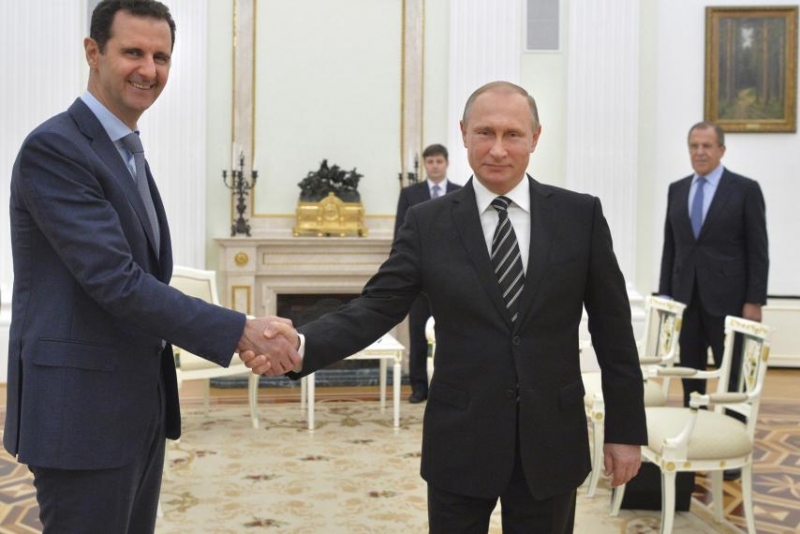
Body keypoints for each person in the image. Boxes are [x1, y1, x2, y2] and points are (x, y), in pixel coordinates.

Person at [247, 81, 647, 533]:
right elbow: (377, 307)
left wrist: (625, 430)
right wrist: (301, 343)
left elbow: (614, 331)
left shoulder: (579, 216)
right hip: (461, 440)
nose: (498, 149)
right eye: (485, 132)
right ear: (463, 134)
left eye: (513, 134)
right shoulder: (427, 222)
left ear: (535, 137)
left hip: (550, 440)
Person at [3, 1, 299, 532]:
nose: (149, 69)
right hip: (81, 415)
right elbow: (117, 282)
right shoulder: (57, 149)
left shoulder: (124, 150)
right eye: (133, 52)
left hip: (133, 408)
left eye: (161, 57)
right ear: (93, 52)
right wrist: (241, 329)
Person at [659, 123, 769, 412]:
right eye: (694, 146)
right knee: (689, 370)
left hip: (730, 302)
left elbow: (758, 251)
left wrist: (754, 300)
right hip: (686, 300)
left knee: (733, 373)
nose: (700, 152)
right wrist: (666, 297)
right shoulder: (677, 190)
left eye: (707, 146)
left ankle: (734, 427)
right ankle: (694, 425)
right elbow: (671, 247)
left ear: (722, 150)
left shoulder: (745, 190)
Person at [394, 144, 461, 403]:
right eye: (430, 161)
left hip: (453, 278)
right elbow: (401, 234)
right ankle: (419, 387)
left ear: (447, 163)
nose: (434, 166)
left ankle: (449, 386)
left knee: (451, 335)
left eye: (438, 161)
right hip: (419, 279)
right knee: (418, 334)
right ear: (425, 164)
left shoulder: (461, 193)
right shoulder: (410, 194)